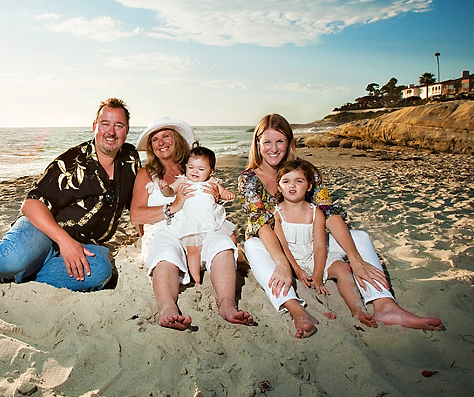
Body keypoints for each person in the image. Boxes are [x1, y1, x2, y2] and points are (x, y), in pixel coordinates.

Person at [238, 114, 443, 337]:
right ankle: (295, 307)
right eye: (267, 141)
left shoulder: (306, 172)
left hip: (310, 240)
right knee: (251, 245)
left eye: (280, 141)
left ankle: (385, 305)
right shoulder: (248, 178)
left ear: (289, 142)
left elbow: (328, 212)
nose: (273, 148)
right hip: (276, 245)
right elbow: (260, 223)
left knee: (360, 237)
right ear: (257, 143)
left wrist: (354, 259)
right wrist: (282, 263)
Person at [0, 98, 140, 292]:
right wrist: (64, 242)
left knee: (101, 272)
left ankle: (0, 278)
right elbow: (30, 205)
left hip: (84, 245)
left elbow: (138, 203)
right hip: (44, 230)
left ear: (127, 130)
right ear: (95, 127)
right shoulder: (72, 161)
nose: (110, 131)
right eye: (105, 124)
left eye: (118, 125)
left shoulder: (130, 160)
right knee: (14, 258)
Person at [130, 117, 254, 330]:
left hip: (200, 227)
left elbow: (212, 195)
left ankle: (227, 304)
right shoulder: (146, 173)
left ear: (176, 139)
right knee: (165, 253)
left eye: (166, 136)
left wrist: (214, 195)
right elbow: (136, 216)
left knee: (222, 246)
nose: (161, 142)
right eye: (155, 140)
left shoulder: (194, 166)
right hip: (164, 229)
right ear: (151, 147)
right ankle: (168, 308)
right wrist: (172, 207)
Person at [273, 159, 376, 328]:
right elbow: (283, 246)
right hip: (292, 260)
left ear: (309, 187)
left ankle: (357, 310)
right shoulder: (276, 213)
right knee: (290, 282)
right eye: (286, 181)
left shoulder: (316, 213)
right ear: (278, 187)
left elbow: (320, 246)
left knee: (343, 268)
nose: (292, 185)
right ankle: (311, 308)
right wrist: (298, 271)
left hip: (315, 257)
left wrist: (318, 274)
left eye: (299, 181)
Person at [158, 145, 237, 284]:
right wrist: (165, 188)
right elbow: (170, 192)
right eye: (191, 167)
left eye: (201, 169)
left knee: (231, 238)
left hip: (211, 219)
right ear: (186, 166)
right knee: (193, 250)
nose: (195, 171)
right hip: (191, 221)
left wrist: (227, 194)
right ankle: (196, 279)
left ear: (211, 172)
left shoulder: (212, 182)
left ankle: (227, 266)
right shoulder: (183, 180)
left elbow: (222, 193)